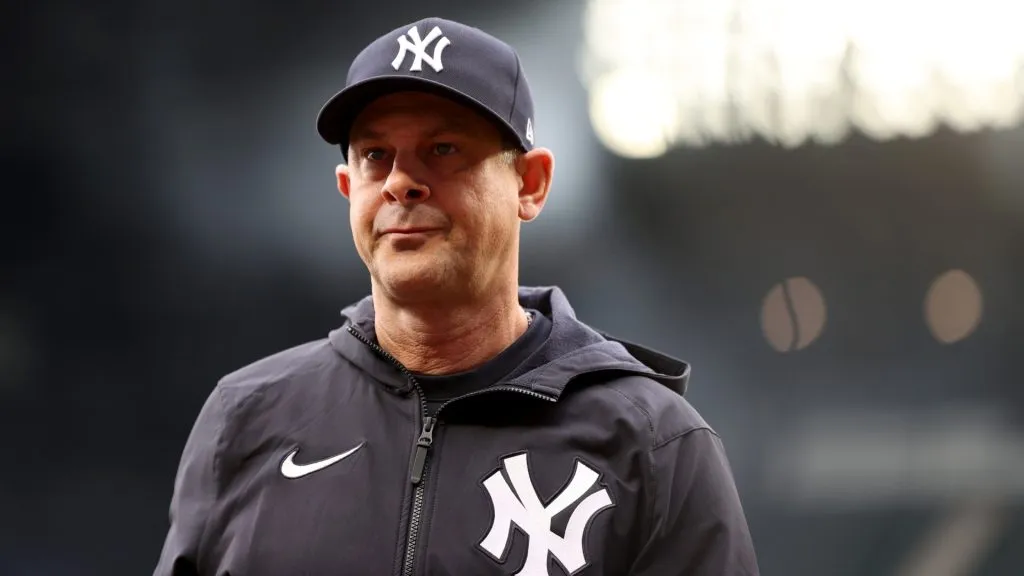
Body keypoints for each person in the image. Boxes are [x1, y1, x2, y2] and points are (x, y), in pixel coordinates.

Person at [153, 16, 759, 576]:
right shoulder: (247, 419)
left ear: (531, 183)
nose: (401, 182)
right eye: (374, 156)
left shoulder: (652, 445)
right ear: (348, 188)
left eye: (444, 149)